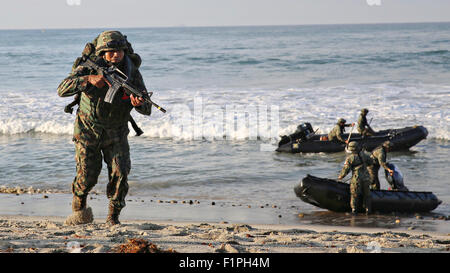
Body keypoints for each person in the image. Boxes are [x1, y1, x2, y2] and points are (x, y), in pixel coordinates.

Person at [57, 30, 152, 226]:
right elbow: (62, 89)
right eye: (110, 51)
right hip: (87, 130)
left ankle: (113, 218)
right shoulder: (88, 67)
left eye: (119, 50)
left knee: (120, 173)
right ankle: (80, 207)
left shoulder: (131, 71)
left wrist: (138, 103)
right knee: (87, 177)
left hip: (116, 131)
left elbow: (147, 109)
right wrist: (88, 80)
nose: (115, 54)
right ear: (101, 52)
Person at [338, 141, 374, 215]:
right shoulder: (364, 155)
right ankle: (368, 210)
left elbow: (346, 170)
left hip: (357, 178)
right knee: (367, 194)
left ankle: (354, 210)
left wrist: (340, 177)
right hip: (366, 178)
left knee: (354, 194)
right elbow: (371, 162)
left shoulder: (350, 158)